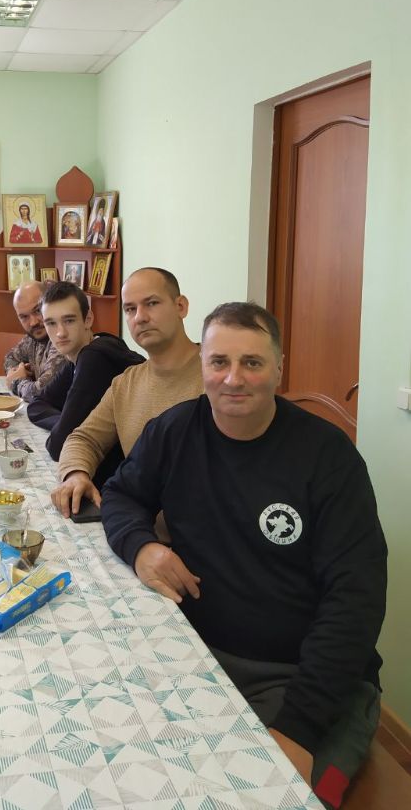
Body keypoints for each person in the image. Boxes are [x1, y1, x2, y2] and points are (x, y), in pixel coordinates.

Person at [101, 302, 387, 808]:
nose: (233, 379)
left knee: (284, 797)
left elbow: (356, 601)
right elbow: (122, 495)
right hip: (197, 653)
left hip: (305, 678)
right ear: (203, 365)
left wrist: (299, 728)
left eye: (252, 362)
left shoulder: (329, 456)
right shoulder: (174, 431)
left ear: (279, 368)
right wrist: (141, 546)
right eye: (219, 362)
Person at [53, 267, 202, 517]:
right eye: (130, 309)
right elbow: (84, 438)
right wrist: (76, 473)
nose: (139, 317)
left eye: (151, 303)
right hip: (136, 527)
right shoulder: (125, 384)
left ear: (181, 306)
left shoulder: (221, 377)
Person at [28, 281, 143, 466]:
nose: (60, 333)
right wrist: (64, 423)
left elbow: (58, 446)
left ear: (88, 319)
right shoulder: (79, 356)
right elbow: (36, 405)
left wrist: (65, 427)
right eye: (51, 323)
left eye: (69, 320)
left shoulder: (94, 357)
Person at [4, 281, 67, 402]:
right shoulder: (33, 338)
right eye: (24, 317)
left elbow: (41, 393)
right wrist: (20, 371)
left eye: (37, 311)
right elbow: (10, 357)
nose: (33, 322)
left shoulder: (62, 339)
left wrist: (15, 381)